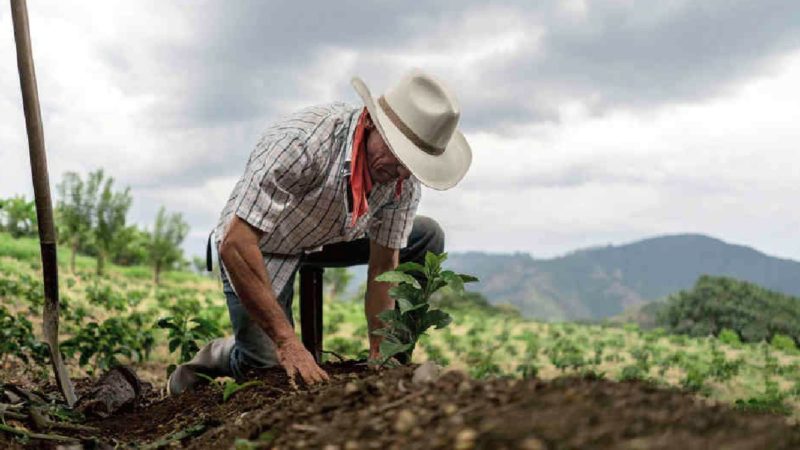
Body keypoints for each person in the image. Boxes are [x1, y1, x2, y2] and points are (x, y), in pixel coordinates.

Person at [168, 68, 472, 394]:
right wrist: (287, 342)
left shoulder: (401, 179)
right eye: (398, 156)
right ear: (371, 122)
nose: (400, 172)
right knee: (266, 368)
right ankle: (219, 354)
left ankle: (395, 358)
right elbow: (236, 242)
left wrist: (381, 354)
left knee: (426, 234)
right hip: (262, 243)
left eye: (411, 165)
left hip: (330, 236)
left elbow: (385, 265)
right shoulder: (302, 144)